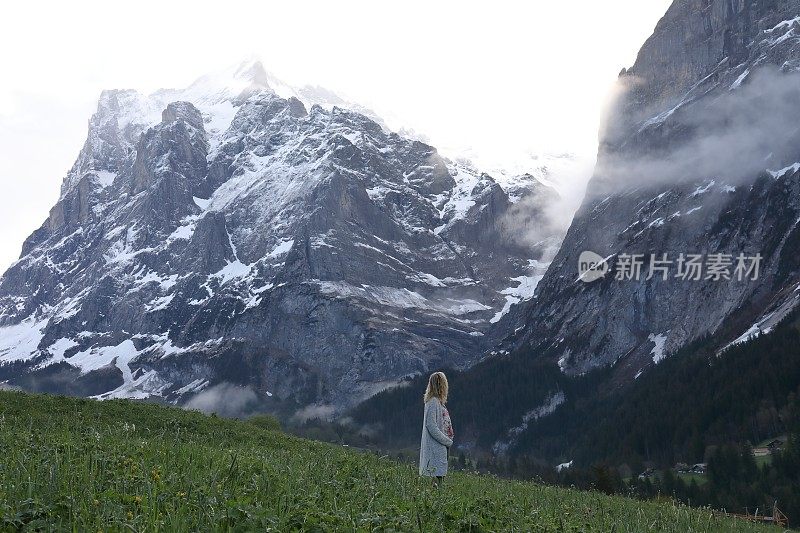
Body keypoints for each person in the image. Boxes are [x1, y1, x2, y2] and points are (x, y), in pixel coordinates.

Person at [419, 371, 454, 485]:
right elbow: (431, 425)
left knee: (438, 480)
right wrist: (446, 441)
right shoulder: (433, 402)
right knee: (435, 481)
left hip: (440, 446)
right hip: (436, 447)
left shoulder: (437, 402)